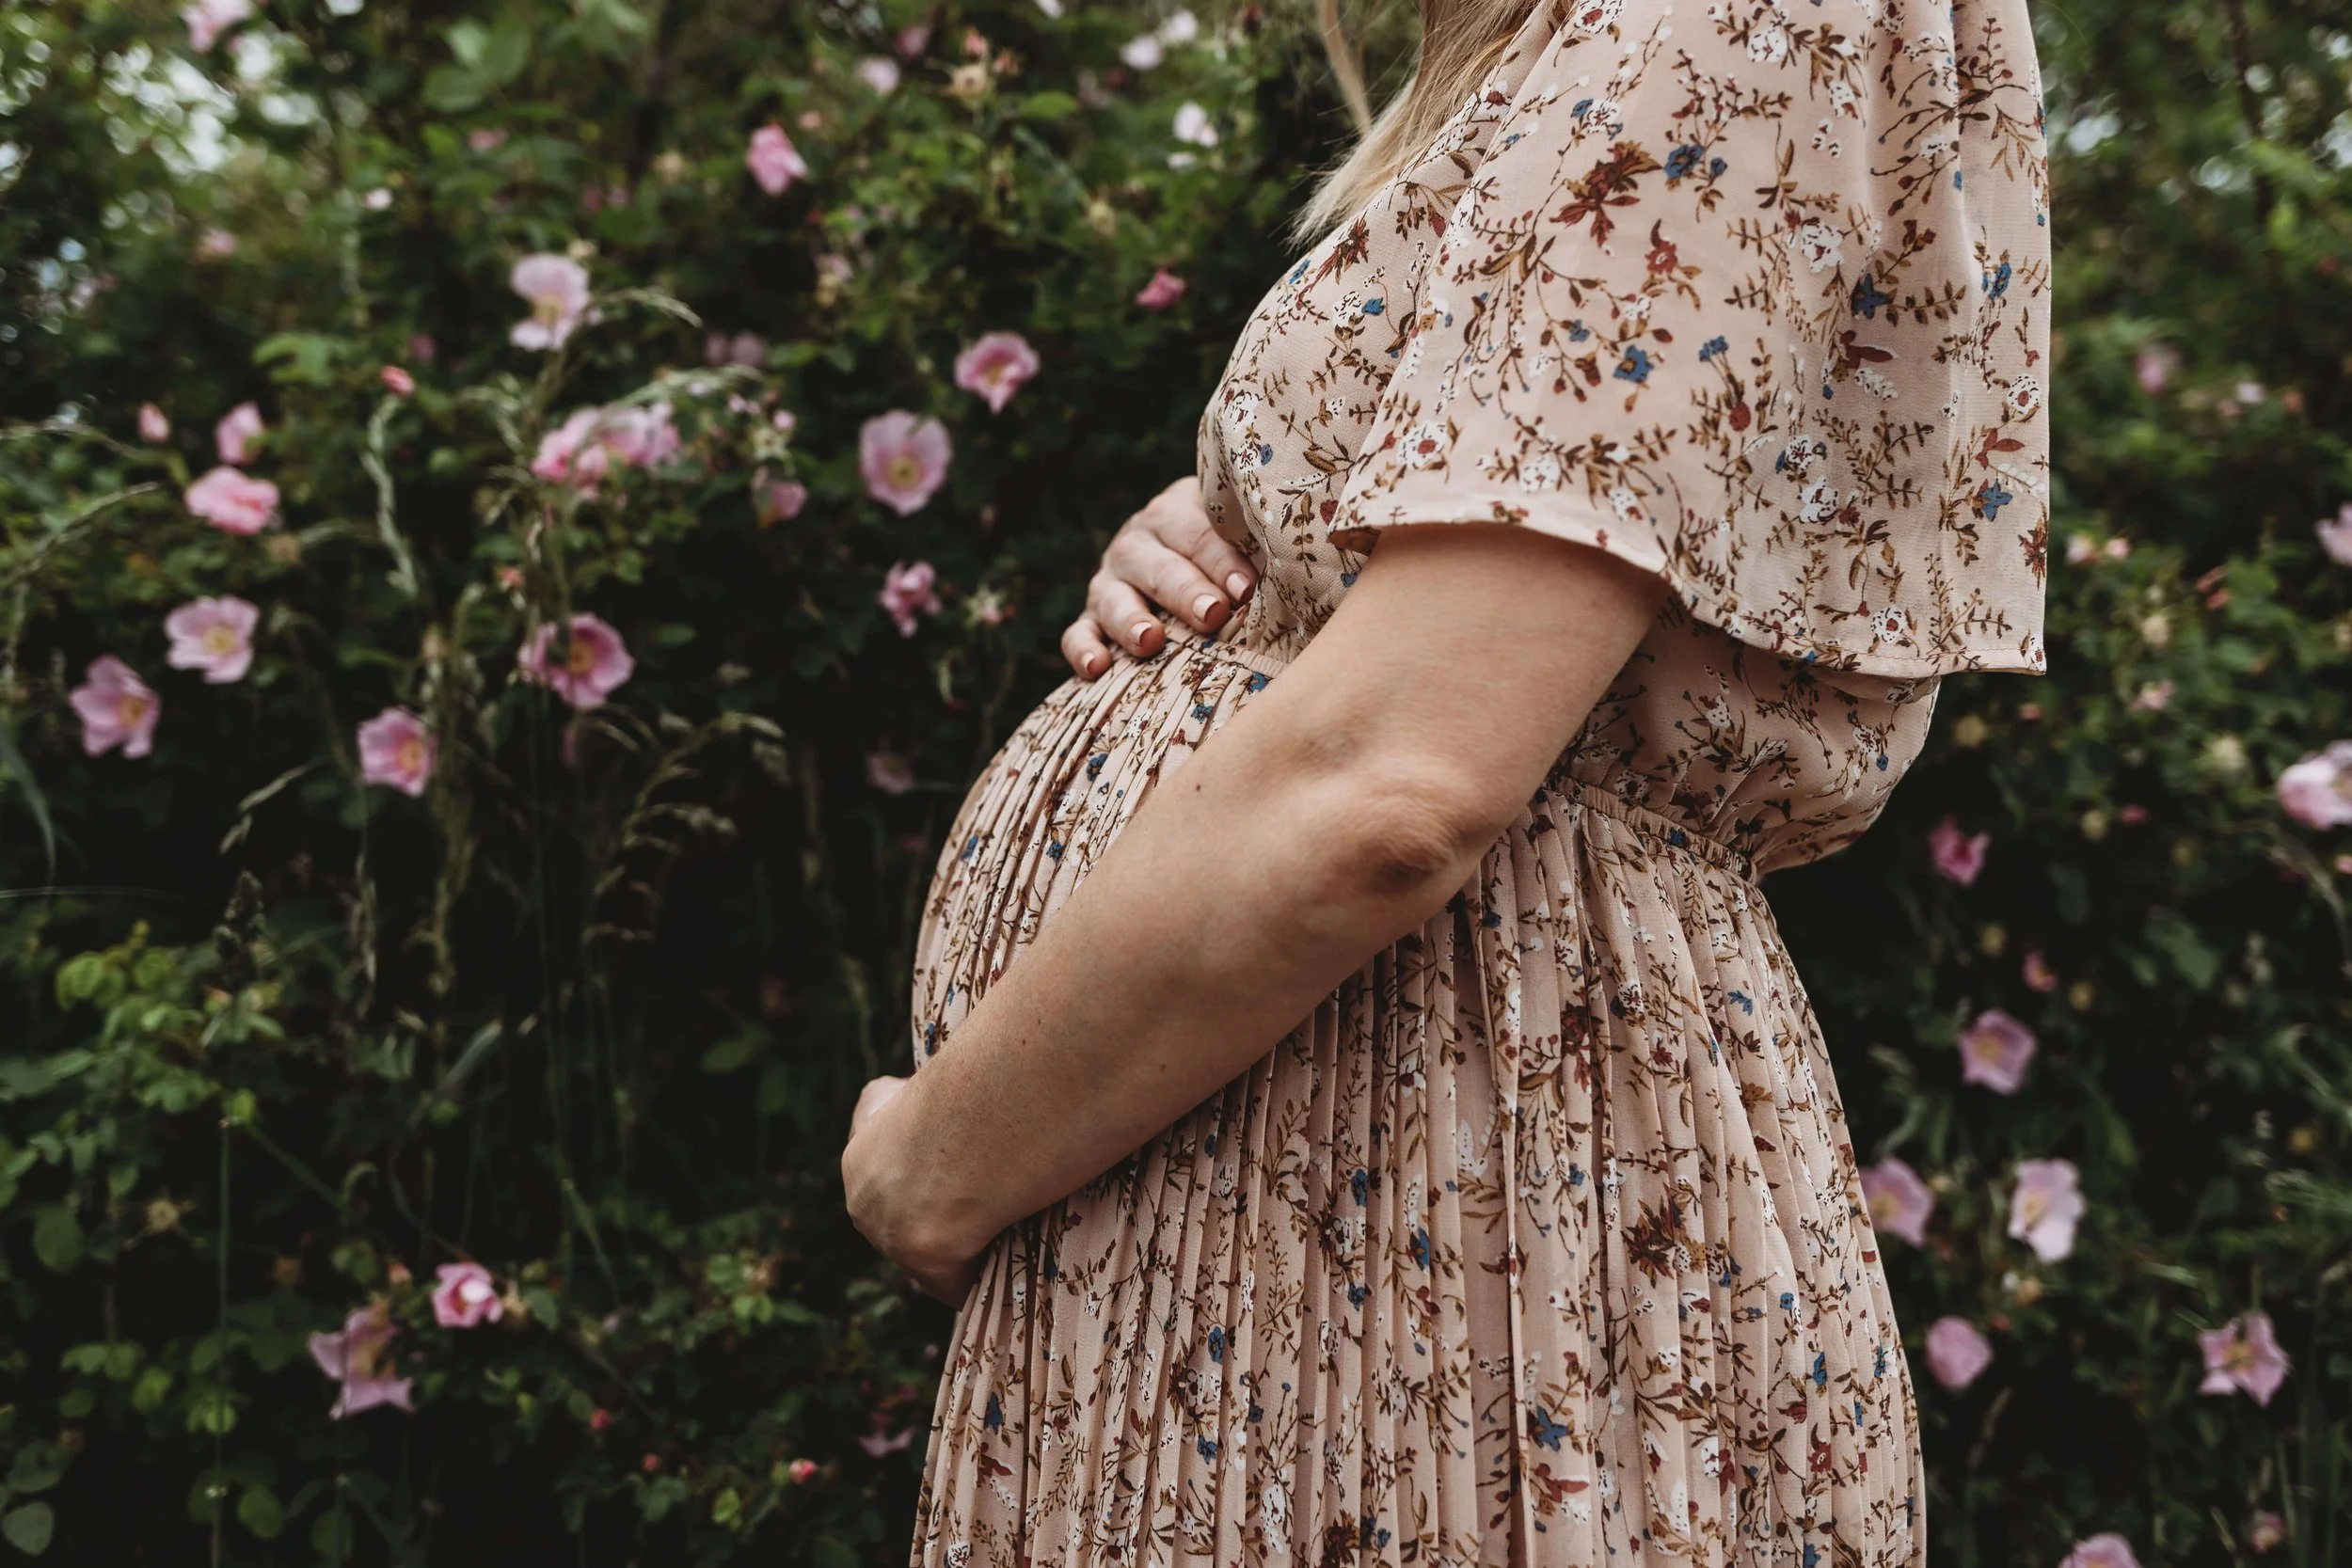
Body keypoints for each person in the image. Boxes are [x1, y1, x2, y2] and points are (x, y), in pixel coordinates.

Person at [842, 0, 2051, 1559]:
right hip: (1310, 1208)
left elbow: (1394, 794)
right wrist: (1264, 536)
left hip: (1424, 1203)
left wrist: (931, 1160)